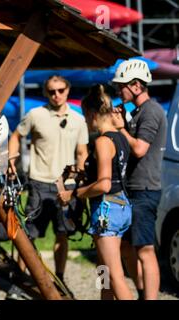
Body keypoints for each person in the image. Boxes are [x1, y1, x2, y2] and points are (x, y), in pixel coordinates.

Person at [8, 75, 88, 294]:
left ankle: (59, 280)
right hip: (39, 182)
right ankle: (22, 279)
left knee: (63, 234)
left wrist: (80, 177)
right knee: (28, 235)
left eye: (61, 90)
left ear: (67, 90)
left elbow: (82, 151)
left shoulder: (78, 119)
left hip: (67, 185)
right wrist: (11, 160)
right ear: (46, 93)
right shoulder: (36, 114)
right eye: (52, 91)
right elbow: (15, 136)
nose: (57, 95)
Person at [58, 84, 133, 299]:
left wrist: (73, 193)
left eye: (84, 116)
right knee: (104, 271)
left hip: (107, 211)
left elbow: (104, 184)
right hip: (120, 207)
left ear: (92, 114)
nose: (85, 121)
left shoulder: (102, 141)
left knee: (115, 275)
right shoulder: (120, 137)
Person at [111, 59, 167, 300]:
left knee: (145, 248)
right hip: (132, 189)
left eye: (121, 86)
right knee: (126, 246)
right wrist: (124, 123)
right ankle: (143, 292)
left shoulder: (151, 111)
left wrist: (120, 128)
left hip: (144, 189)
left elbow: (140, 149)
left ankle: (149, 297)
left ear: (135, 86)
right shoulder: (138, 112)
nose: (117, 91)